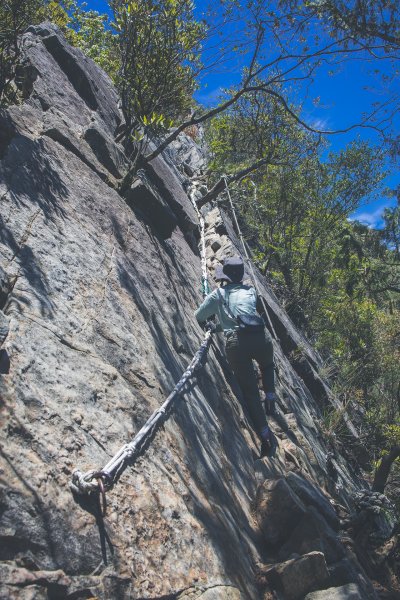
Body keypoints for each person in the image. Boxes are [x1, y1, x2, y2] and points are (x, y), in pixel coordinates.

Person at [195, 256, 276, 456]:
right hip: (261, 338)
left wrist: (216, 325)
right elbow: (245, 315)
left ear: (225, 277)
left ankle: (265, 435)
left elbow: (199, 316)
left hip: (237, 344)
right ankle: (271, 397)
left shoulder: (218, 294)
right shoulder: (251, 292)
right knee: (267, 366)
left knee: (250, 393)